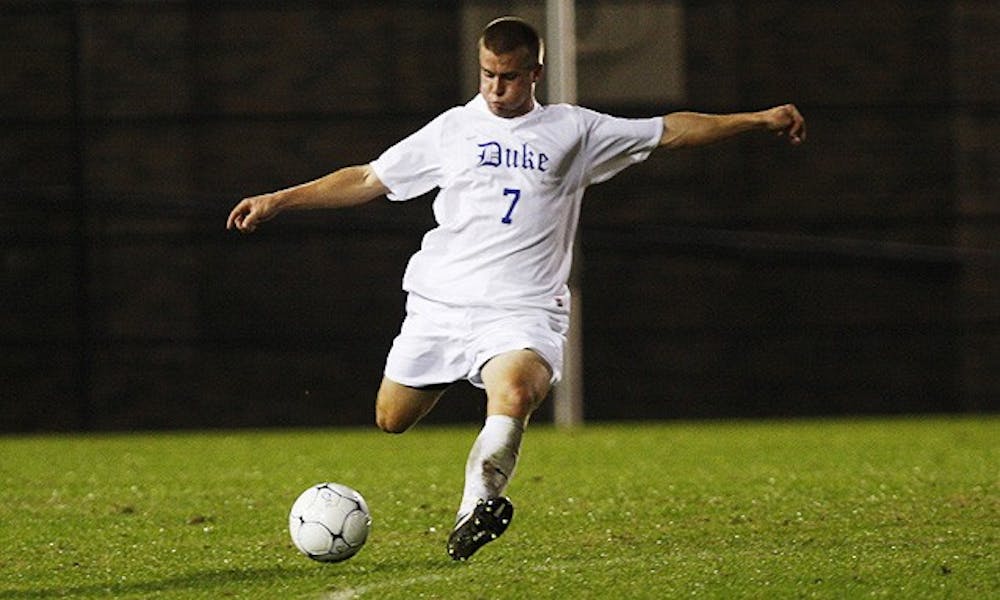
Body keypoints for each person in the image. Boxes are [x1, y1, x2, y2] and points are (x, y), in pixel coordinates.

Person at [227, 16, 805, 561]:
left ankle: (474, 509)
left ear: (535, 72)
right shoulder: (453, 129)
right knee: (391, 418)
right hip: (441, 304)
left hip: (522, 310)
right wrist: (280, 199)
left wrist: (756, 120)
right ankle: (465, 409)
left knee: (515, 395)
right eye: (487, 75)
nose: (496, 88)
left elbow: (670, 131)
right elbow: (368, 179)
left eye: (508, 76)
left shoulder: (574, 130)